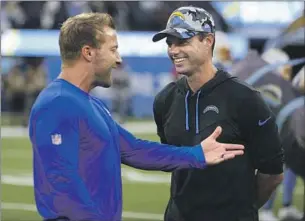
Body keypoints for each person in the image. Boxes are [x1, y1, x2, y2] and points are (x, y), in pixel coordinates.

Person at [28, 12, 245, 221]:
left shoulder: (89, 103)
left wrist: (196, 154)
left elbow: (134, 149)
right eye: (113, 49)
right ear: (89, 52)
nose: (119, 59)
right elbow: (62, 185)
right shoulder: (57, 103)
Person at [152, 6, 284, 221]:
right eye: (170, 43)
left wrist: (241, 211)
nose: (173, 50)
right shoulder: (165, 100)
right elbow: (172, 160)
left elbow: (272, 174)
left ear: (208, 41)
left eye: (183, 41)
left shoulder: (245, 98)